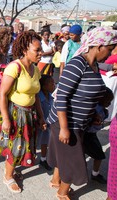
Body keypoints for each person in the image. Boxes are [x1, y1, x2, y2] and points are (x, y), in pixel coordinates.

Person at [47, 27, 117, 200]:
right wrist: (64, 128)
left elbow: (89, 95)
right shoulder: (77, 63)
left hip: (80, 122)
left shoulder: (92, 66)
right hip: (67, 123)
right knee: (73, 162)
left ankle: (56, 182)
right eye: (109, 49)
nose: (110, 55)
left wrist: (93, 114)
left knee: (65, 157)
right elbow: (62, 96)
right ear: (99, 46)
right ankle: (62, 193)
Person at [0, 31, 46, 193]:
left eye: (40, 49)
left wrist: (41, 116)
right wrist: (6, 119)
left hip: (29, 114)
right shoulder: (15, 67)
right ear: (24, 50)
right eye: (37, 50)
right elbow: (2, 94)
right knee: (15, 146)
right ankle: (8, 177)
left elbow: (35, 95)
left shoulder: (35, 70)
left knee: (24, 146)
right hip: (14, 113)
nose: (40, 53)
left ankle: (12, 170)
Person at [83, 87, 114, 184]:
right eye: (108, 101)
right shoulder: (94, 109)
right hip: (87, 135)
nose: (109, 104)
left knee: (98, 155)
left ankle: (94, 174)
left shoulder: (102, 110)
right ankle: (92, 174)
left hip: (92, 135)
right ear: (101, 99)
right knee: (97, 155)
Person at [38, 75, 55, 171]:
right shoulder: (38, 98)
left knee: (45, 141)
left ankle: (43, 159)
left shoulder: (51, 96)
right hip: (40, 123)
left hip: (48, 124)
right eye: (51, 84)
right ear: (44, 86)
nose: (54, 85)